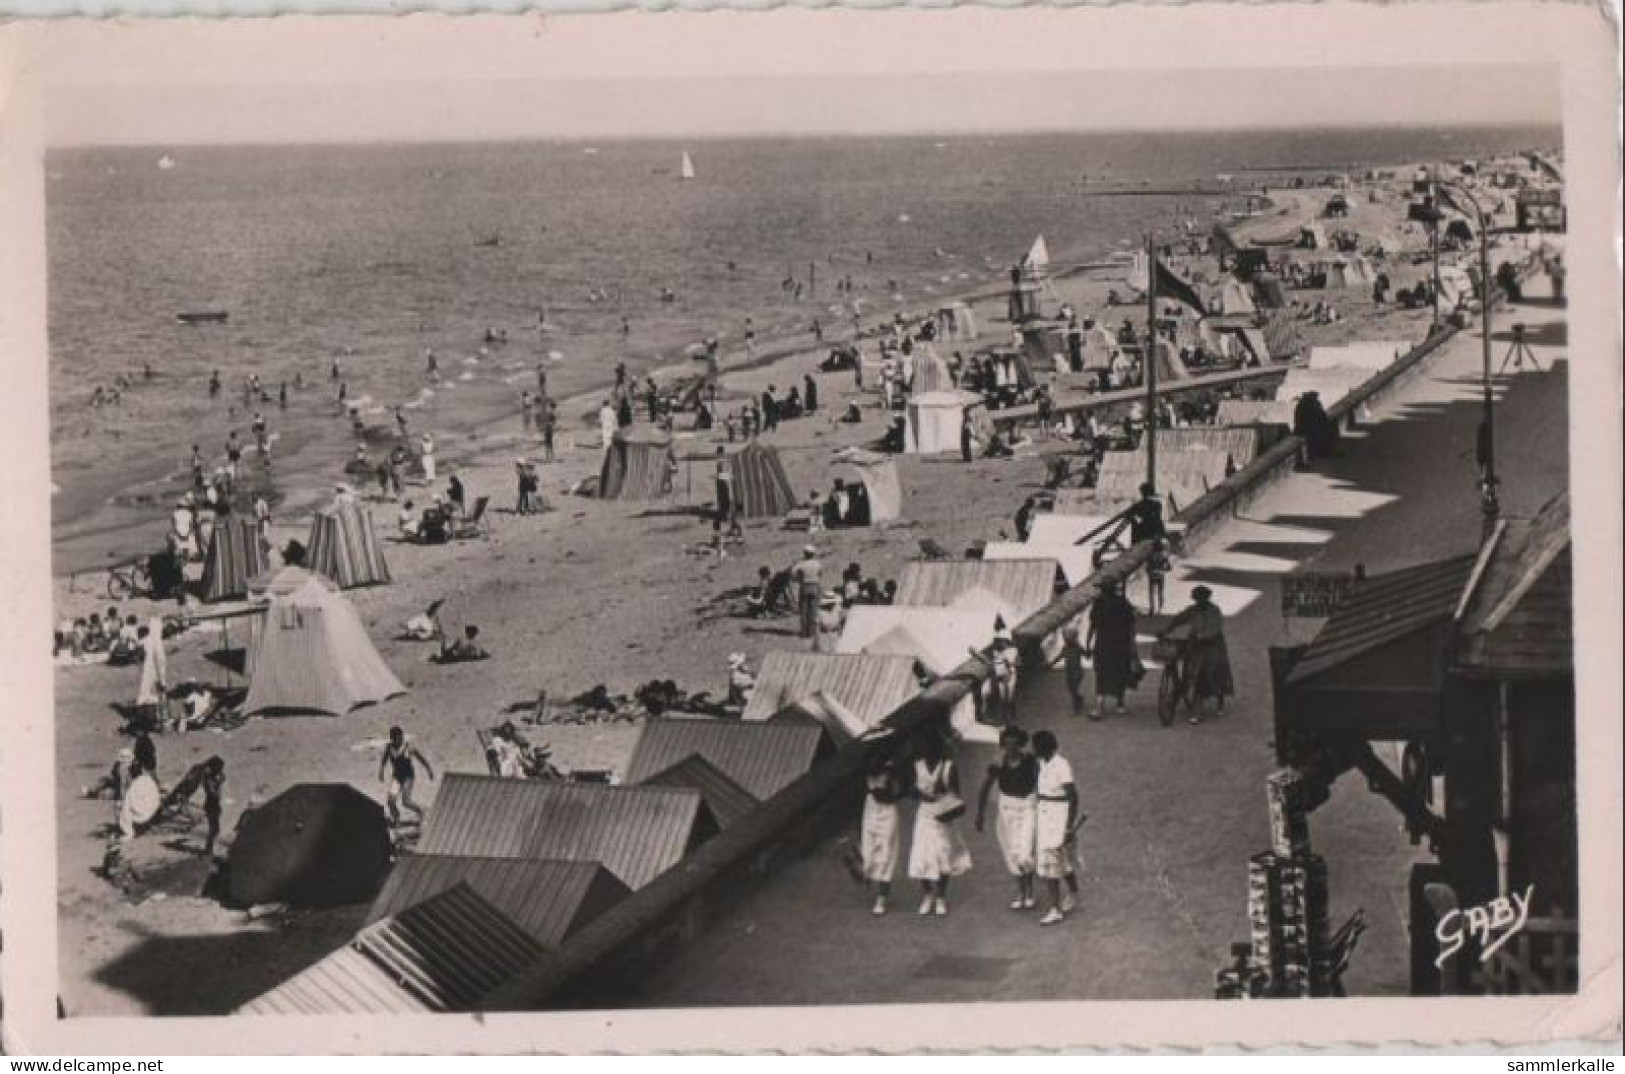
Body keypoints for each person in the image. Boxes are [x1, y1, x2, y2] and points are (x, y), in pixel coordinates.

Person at [975, 726, 1039, 911]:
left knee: (1025, 851)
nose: (1011, 748)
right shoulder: (998, 763)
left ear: (1020, 744)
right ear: (1004, 744)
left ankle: (1030, 891)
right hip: (1006, 810)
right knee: (1012, 852)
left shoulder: (1030, 761)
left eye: (1015, 744)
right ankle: (1021, 892)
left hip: (1027, 806)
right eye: (1007, 744)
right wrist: (980, 814)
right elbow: (984, 788)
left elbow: (1041, 782)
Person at [907, 734, 972, 916]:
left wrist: (942, 795)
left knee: (942, 854)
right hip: (924, 815)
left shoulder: (949, 767)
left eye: (931, 748)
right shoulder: (917, 766)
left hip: (943, 815)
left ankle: (941, 896)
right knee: (923, 855)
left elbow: (956, 794)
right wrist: (921, 794)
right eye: (925, 748)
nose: (928, 752)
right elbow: (910, 791)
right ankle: (928, 894)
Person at [1160, 584, 1233, 724]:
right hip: (1196, 646)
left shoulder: (1214, 610)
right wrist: (1165, 630)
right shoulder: (1192, 610)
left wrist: (1202, 636)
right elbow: (1179, 619)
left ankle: (1201, 711)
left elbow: (1215, 628)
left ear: (1206, 598)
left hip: (1213, 647)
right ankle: (1182, 694)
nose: (1198, 601)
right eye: (1196, 599)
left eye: (1201, 598)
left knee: (1209, 675)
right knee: (1190, 671)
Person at [1032, 730, 1082, 925]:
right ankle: (1074, 892)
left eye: (1038, 747)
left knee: (1051, 859)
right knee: (1057, 859)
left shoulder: (1062, 765)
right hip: (1044, 814)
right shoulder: (1041, 763)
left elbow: (1073, 797)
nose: (1035, 750)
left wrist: (1068, 826)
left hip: (1059, 815)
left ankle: (1055, 909)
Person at [860, 749, 909, 914]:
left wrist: (885, 791)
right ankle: (867, 870)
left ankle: (882, 899)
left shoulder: (892, 774)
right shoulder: (866, 773)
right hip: (871, 810)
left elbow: (897, 794)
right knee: (868, 852)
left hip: (888, 813)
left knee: (886, 854)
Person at [1085, 579, 1138, 718]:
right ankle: (1120, 704)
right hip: (1121, 643)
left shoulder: (1099, 604)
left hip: (1103, 643)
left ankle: (1099, 706)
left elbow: (1093, 626)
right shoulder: (1123, 603)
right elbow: (1131, 625)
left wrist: (1087, 643)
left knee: (1101, 674)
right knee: (1120, 672)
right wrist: (1132, 643)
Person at [379, 727, 434, 828]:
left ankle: (421, 812)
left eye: (401, 737)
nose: (400, 740)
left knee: (406, 801)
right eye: (397, 738)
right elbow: (384, 760)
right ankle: (397, 818)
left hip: (408, 777)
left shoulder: (408, 747)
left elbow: (421, 759)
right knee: (390, 801)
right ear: (392, 738)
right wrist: (381, 771)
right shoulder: (389, 748)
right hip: (397, 777)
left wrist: (429, 770)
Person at [790, 546, 823, 640]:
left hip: (805, 585)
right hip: (815, 586)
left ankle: (804, 632)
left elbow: (792, 573)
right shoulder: (817, 564)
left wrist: (798, 579)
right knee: (813, 610)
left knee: (804, 610)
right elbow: (820, 574)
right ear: (813, 554)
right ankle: (812, 632)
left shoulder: (801, 564)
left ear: (804, 553)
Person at [1060, 623, 1088, 718]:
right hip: (1069, 672)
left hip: (1077, 672)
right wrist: (1050, 664)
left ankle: (1075, 709)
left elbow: (1087, 655)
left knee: (1074, 690)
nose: (1066, 641)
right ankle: (1079, 699)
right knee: (1071, 689)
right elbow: (1059, 657)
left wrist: (1089, 652)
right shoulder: (1065, 648)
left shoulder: (1078, 648)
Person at [1146, 538, 1172, 614]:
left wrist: (1149, 571)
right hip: (1160, 575)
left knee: (1151, 592)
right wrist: (1163, 570)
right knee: (1160, 592)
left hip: (1152, 575)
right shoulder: (1163, 555)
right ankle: (1160, 609)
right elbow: (1169, 568)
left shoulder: (1150, 555)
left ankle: (1152, 609)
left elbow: (1147, 567)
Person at [713, 446, 734, 524]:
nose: (717, 454)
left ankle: (724, 515)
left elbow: (722, 471)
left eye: (718, 452)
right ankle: (726, 514)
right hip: (725, 480)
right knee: (725, 497)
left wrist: (718, 477)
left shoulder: (721, 460)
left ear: (719, 452)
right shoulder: (725, 459)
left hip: (722, 481)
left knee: (723, 497)